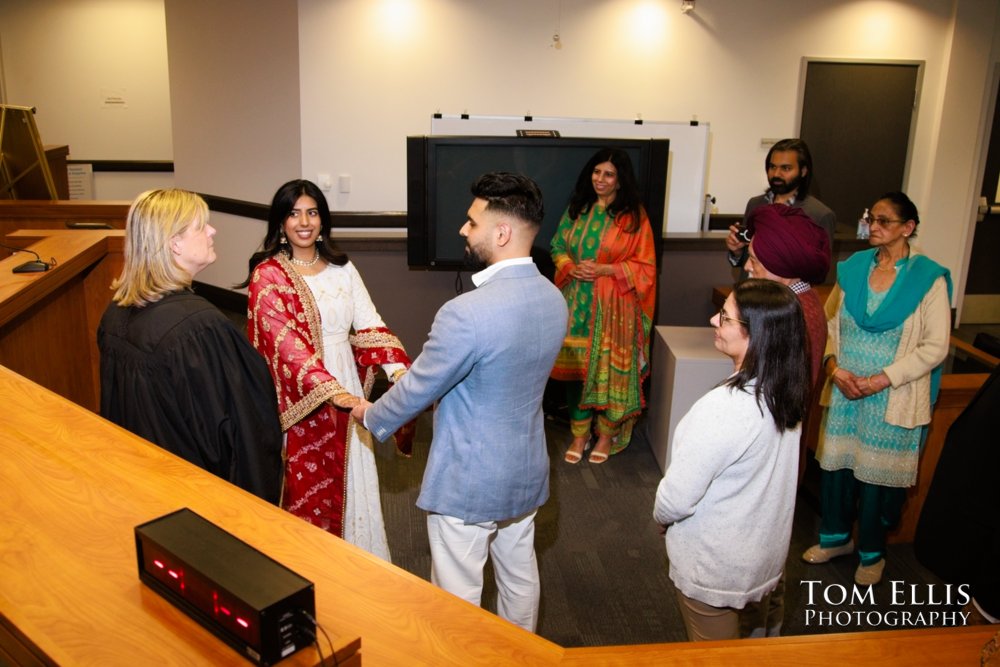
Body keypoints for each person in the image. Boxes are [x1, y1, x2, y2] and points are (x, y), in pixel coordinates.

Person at [351, 172, 567, 632]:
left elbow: (418, 389)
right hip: (526, 469)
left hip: (470, 480)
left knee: (456, 603)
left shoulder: (465, 312)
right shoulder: (554, 298)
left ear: (502, 233)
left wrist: (369, 414)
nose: (463, 230)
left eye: (472, 222)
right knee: (520, 576)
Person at [242, 179, 412, 561]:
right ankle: (314, 568)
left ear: (323, 219)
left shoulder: (343, 267)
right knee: (311, 488)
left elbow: (370, 324)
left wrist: (401, 373)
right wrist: (337, 396)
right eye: (294, 213)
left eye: (313, 212)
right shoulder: (268, 277)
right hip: (303, 396)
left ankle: (360, 566)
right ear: (281, 223)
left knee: (355, 476)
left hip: (347, 386)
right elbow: (289, 350)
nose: (305, 222)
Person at [803, 191, 952, 586]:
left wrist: (882, 378)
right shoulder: (853, 269)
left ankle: (872, 552)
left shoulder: (928, 279)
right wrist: (836, 370)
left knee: (878, 483)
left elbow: (935, 346)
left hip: (893, 395)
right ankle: (835, 538)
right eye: (872, 218)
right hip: (848, 389)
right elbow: (830, 324)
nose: (873, 226)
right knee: (836, 471)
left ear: (908, 228)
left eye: (885, 221)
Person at [98, 189, 282, 503]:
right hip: (199, 500)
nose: (213, 231)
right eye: (201, 225)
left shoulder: (115, 313)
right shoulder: (200, 329)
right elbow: (241, 434)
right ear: (174, 242)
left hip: (146, 488)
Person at [653, 279, 809, 642]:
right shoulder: (787, 389)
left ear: (755, 334)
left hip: (717, 567)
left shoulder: (724, 408)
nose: (712, 320)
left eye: (724, 317)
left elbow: (676, 498)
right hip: (765, 557)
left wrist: (662, 517)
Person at [550, 148, 657, 464]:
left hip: (615, 310)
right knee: (576, 370)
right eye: (597, 172)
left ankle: (606, 436)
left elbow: (646, 266)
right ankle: (580, 433)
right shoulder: (578, 209)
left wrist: (606, 269)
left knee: (611, 373)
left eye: (609, 174)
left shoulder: (633, 217)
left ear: (620, 180)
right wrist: (570, 265)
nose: (601, 179)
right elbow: (557, 245)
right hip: (576, 304)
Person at [727, 138, 836, 278]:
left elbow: (819, 272)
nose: (777, 174)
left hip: (787, 296)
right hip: (748, 291)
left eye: (786, 168)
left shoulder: (819, 214)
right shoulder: (755, 204)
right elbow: (745, 260)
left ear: (803, 171)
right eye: (773, 167)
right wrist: (736, 251)